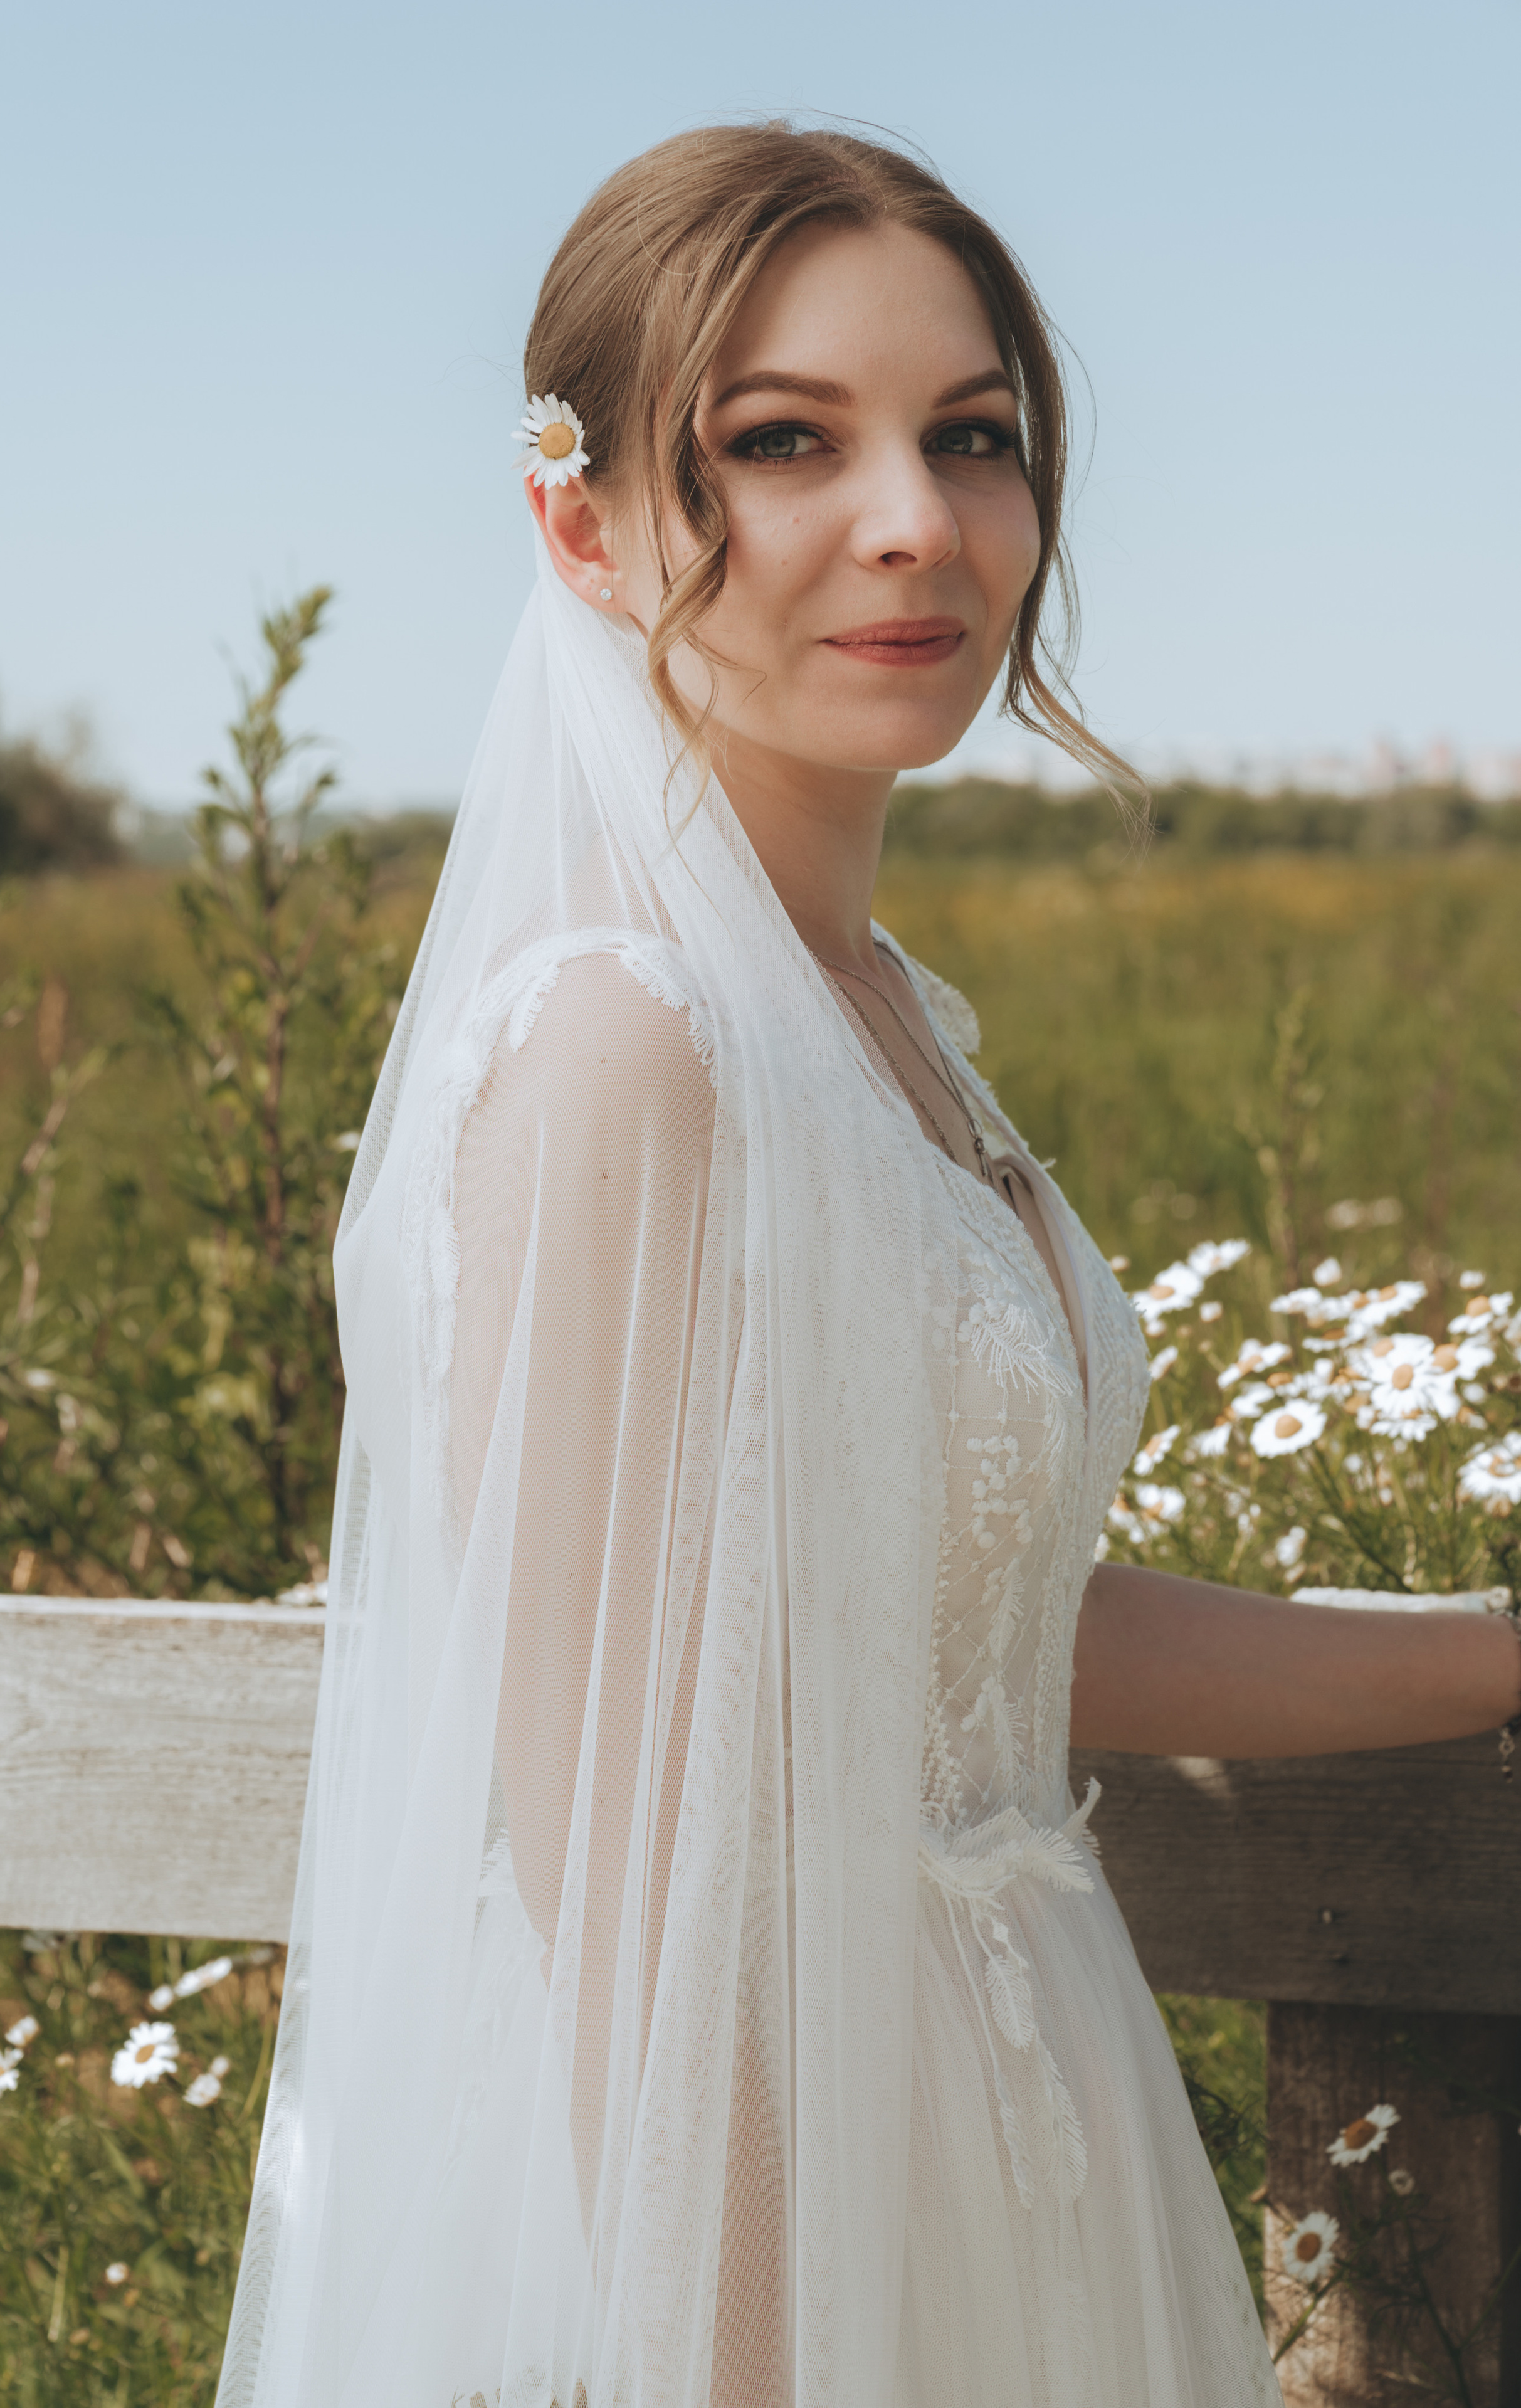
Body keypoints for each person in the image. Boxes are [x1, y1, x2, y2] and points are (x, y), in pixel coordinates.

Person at [214, 122, 1521, 2408]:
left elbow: (967, 1637)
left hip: (1016, 2122)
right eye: (784, 442)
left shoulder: (880, 1021)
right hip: (762, 2218)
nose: (916, 518)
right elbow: (622, 1910)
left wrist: (1490, 1652)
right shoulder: (626, 1048)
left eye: (977, 437)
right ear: (581, 521)